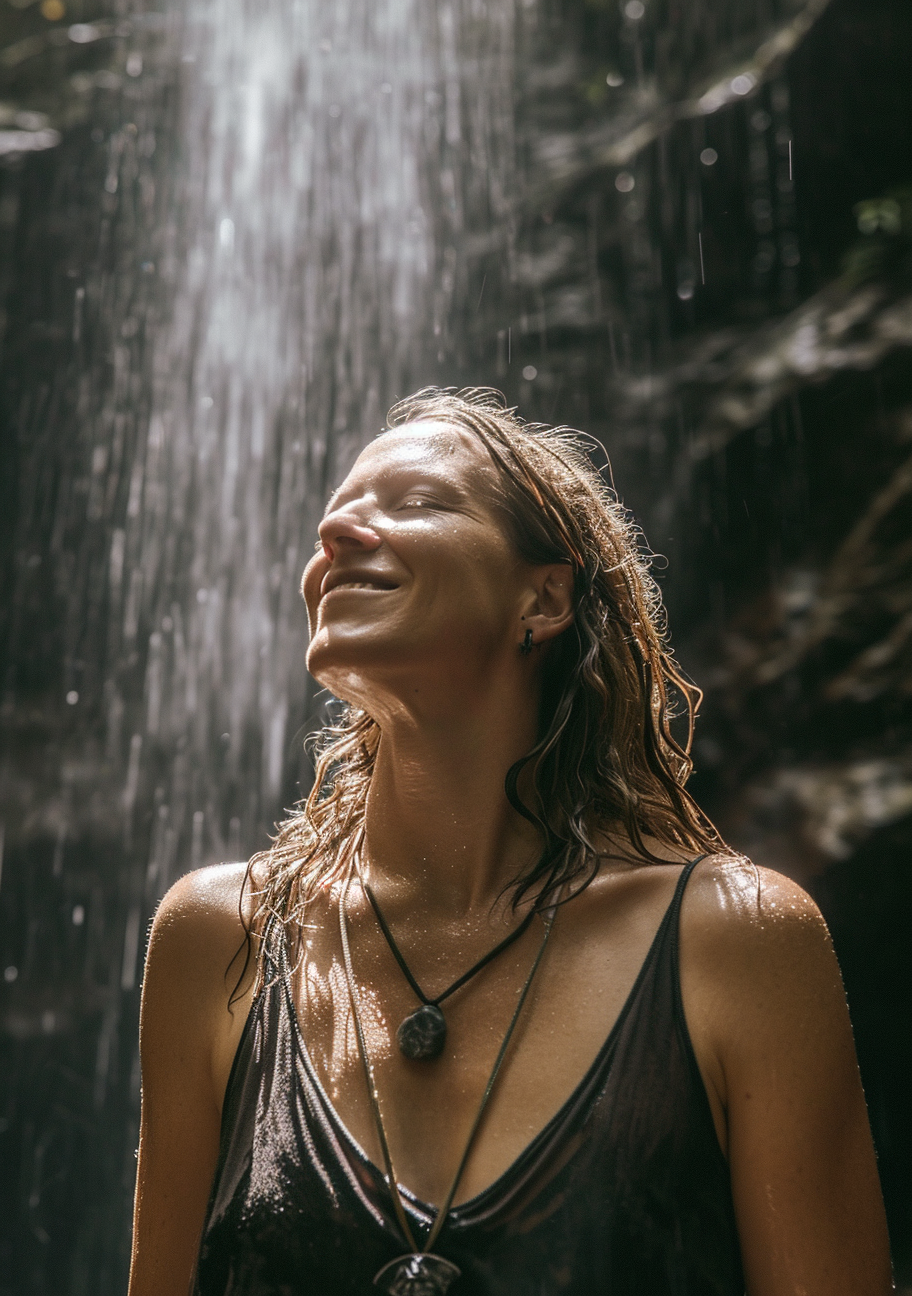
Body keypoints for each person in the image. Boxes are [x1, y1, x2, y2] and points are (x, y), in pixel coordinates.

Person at [128, 388, 893, 1296]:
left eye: (414, 503)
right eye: (333, 515)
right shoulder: (222, 937)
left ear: (545, 596)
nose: (337, 531)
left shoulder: (738, 941)